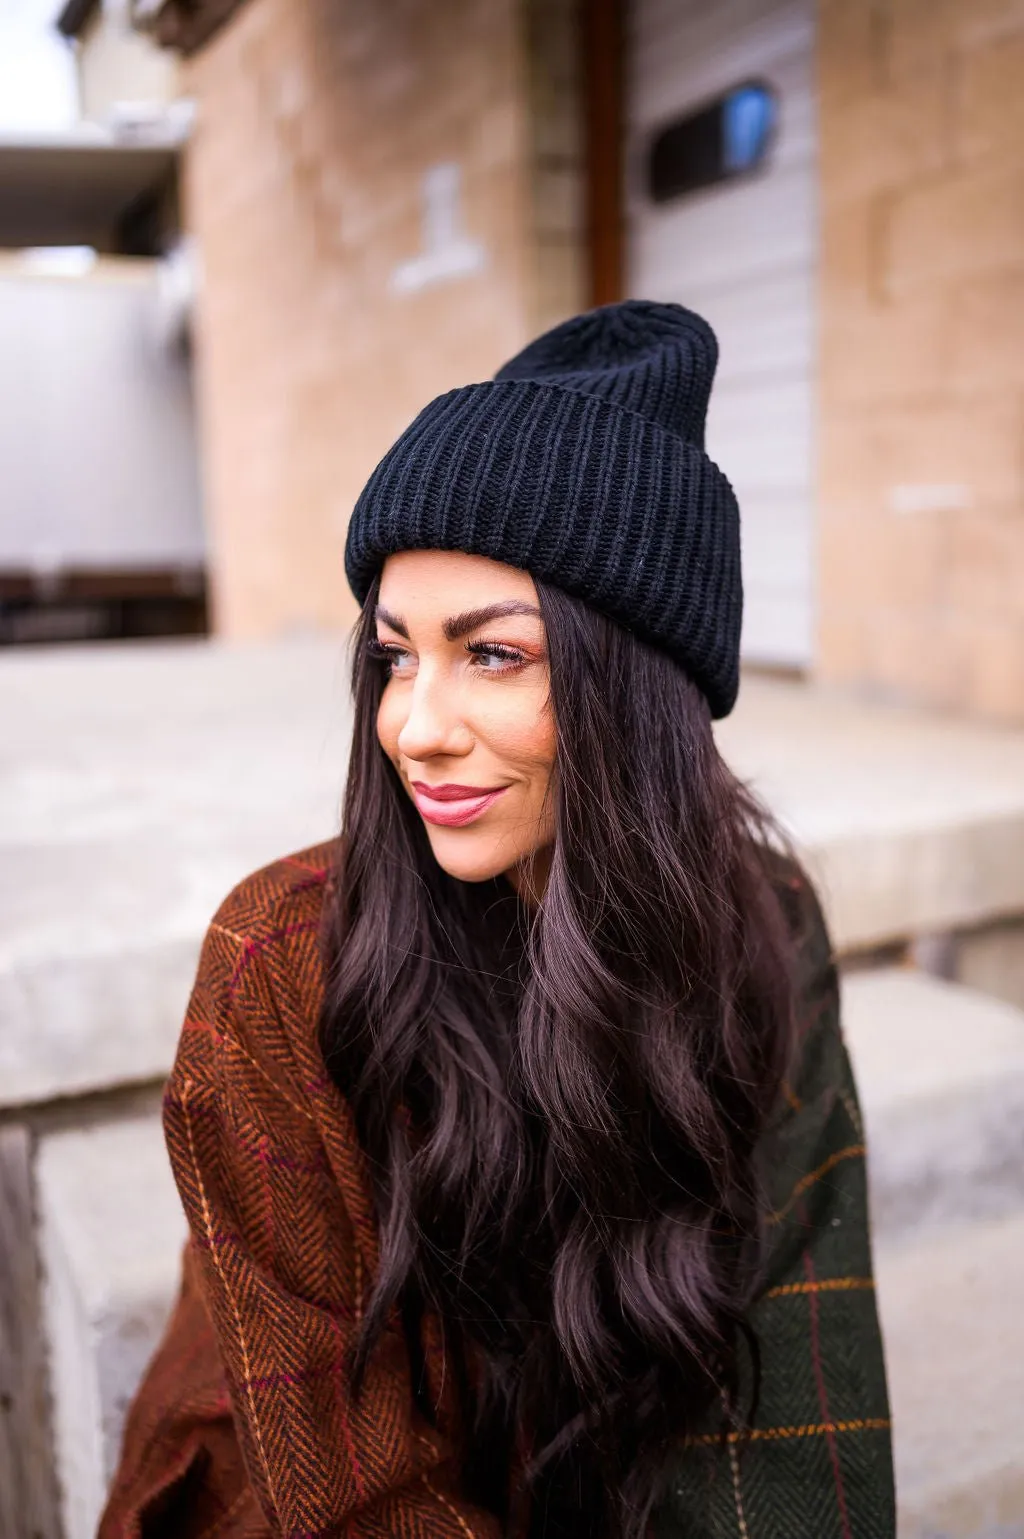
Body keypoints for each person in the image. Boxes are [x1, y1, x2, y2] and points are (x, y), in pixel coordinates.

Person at [101, 301, 894, 1539]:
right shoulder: (278, 968)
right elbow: (347, 1492)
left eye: (493, 656)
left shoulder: (761, 927)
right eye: (395, 655)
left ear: (634, 685)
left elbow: (799, 1380)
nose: (414, 727)